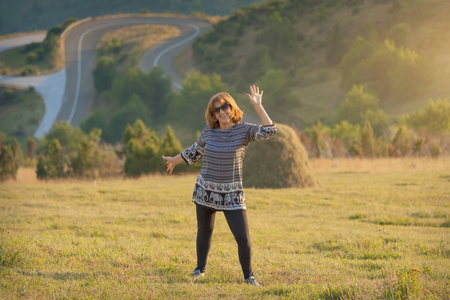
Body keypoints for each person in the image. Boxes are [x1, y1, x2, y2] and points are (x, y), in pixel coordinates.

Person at [162, 85, 276, 286]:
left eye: (225, 106)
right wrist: (173, 159)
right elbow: (194, 152)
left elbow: (269, 130)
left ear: (232, 108)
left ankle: (249, 277)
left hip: (232, 194)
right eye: (217, 109)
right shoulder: (209, 131)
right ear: (213, 114)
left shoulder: (245, 130)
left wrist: (259, 107)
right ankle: (200, 270)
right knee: (204, 232)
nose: (222, 111)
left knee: (243, 238)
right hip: (205, 191)